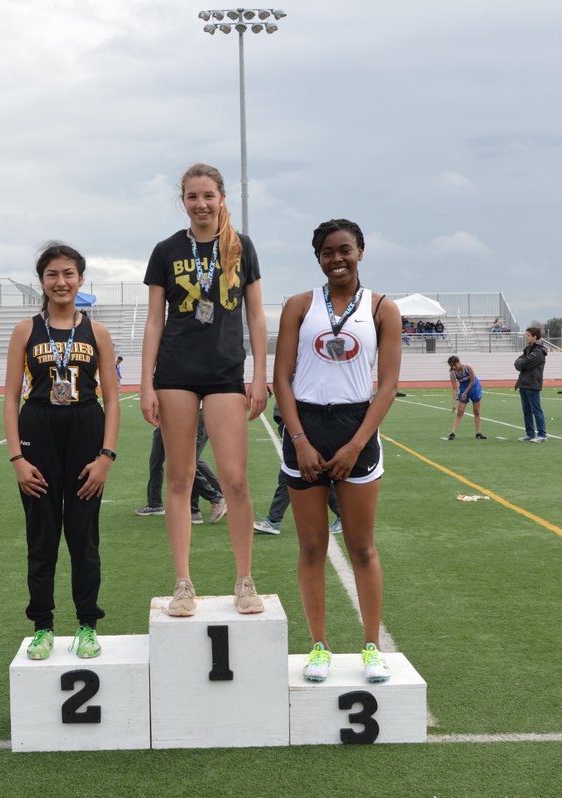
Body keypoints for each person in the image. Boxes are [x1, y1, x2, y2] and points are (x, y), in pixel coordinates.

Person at [274, 218, 401, 684]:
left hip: (356, 428)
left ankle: (371, 646)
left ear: (361, 252)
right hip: (306, 427)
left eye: (345, 249)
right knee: (311, 547)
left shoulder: (383, 309)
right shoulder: (298, 306)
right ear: (319, 258)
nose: (337, 259)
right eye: (328, 252)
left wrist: (355, 443)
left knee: (362, 547)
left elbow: (386, 386)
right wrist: (301, 440)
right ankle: (319, 647)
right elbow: (280, 379)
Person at [140, 162, 268, 617]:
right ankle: (183, 583)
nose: (201, 204)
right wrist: (146, 382)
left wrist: (258, 375)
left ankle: (244, 579)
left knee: (234, 479)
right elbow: (155, 320)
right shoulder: (165, 250)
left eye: (208, 196)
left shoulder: (240, 247)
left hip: (226, 374)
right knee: (180, 479)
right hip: (175, 372)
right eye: (193, 197)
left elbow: (255, 317)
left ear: (222, 198)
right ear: (184, 202)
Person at [3, 243, 120, 661]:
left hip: (86, 427)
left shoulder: (98, 332)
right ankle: (43, 627)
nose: (61, 282)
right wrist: (17, 458)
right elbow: (10, 397)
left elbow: (113, 397)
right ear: (42, 281)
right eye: (52, 274)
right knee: (42, 537)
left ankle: (87, 623)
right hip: (38, 428)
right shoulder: (25, 330)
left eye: (69, 273)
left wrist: (106, 456)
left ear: (81, 279)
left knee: (84, 537)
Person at [254, 397, 343, 536]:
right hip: (294, 418)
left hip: (304, 420)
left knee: (298, 472)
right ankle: (273, 520)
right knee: (298, 472)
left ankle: (273, 520)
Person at [135, 410, 227, 525]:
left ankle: (213, 500)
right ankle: (155, 504)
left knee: (187, 463)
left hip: (192, 415)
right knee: (158, 461)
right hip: (167, 418)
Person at [514, 327, 548, 442]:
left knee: (536, 410)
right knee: (526, 411)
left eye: (528, 335)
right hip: (523, 383)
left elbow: (526, 363)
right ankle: (530, 433)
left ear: (535, 337)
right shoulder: (527, 350)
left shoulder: (538, 351)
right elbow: (517, 363)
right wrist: (521, 363)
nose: (526, 337)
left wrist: (522, 363)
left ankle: (542, 434)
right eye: (526, 335)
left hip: (532, 384)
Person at [447, 355, 486, 439]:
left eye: (455, 365)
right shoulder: (453, 374)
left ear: (459, 362)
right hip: (464, 389)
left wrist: (465, 393)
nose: (454, 367)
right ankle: (453, 433)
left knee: (476, 411)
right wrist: (454, 404)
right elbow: (454, 389)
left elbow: (472, 382)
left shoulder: (468, 368)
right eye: (452, 366)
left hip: (474, 388)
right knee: (460, 412)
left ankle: (478, 433)